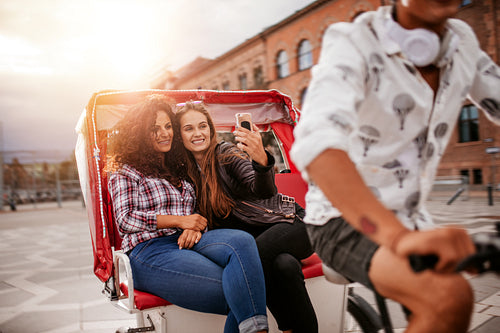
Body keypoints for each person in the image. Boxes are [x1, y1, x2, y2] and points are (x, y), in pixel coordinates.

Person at [291, 0, 500, 332]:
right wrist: (399, 239)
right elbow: (318, 145)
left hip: (413, 219)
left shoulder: (463, 43)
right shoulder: (353, 40)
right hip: (342, 218)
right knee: (448, 297)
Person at [106, 94, 268, 333]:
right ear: (139, 132)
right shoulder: (126, 171)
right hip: (149, 251)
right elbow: (126, 219)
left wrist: (192, 225)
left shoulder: (178, 167)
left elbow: (195, 210)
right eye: (154, 129)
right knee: (241, 290)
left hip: (189, 241)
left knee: (241, 241)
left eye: (168, 126)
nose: (164, 133)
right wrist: (181, 221)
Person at [175, 101, 318, 333]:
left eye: (202, 126)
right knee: (284, 266)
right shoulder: (184, 173)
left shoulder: (226, 153)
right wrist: (192, 224)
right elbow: (193, 210)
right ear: (179, 135)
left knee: (250, 258)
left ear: (211, 129)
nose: (198, 133)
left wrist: (261, 159)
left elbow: (261, 189)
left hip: (293, 224)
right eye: (188, 128)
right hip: (262, 242)